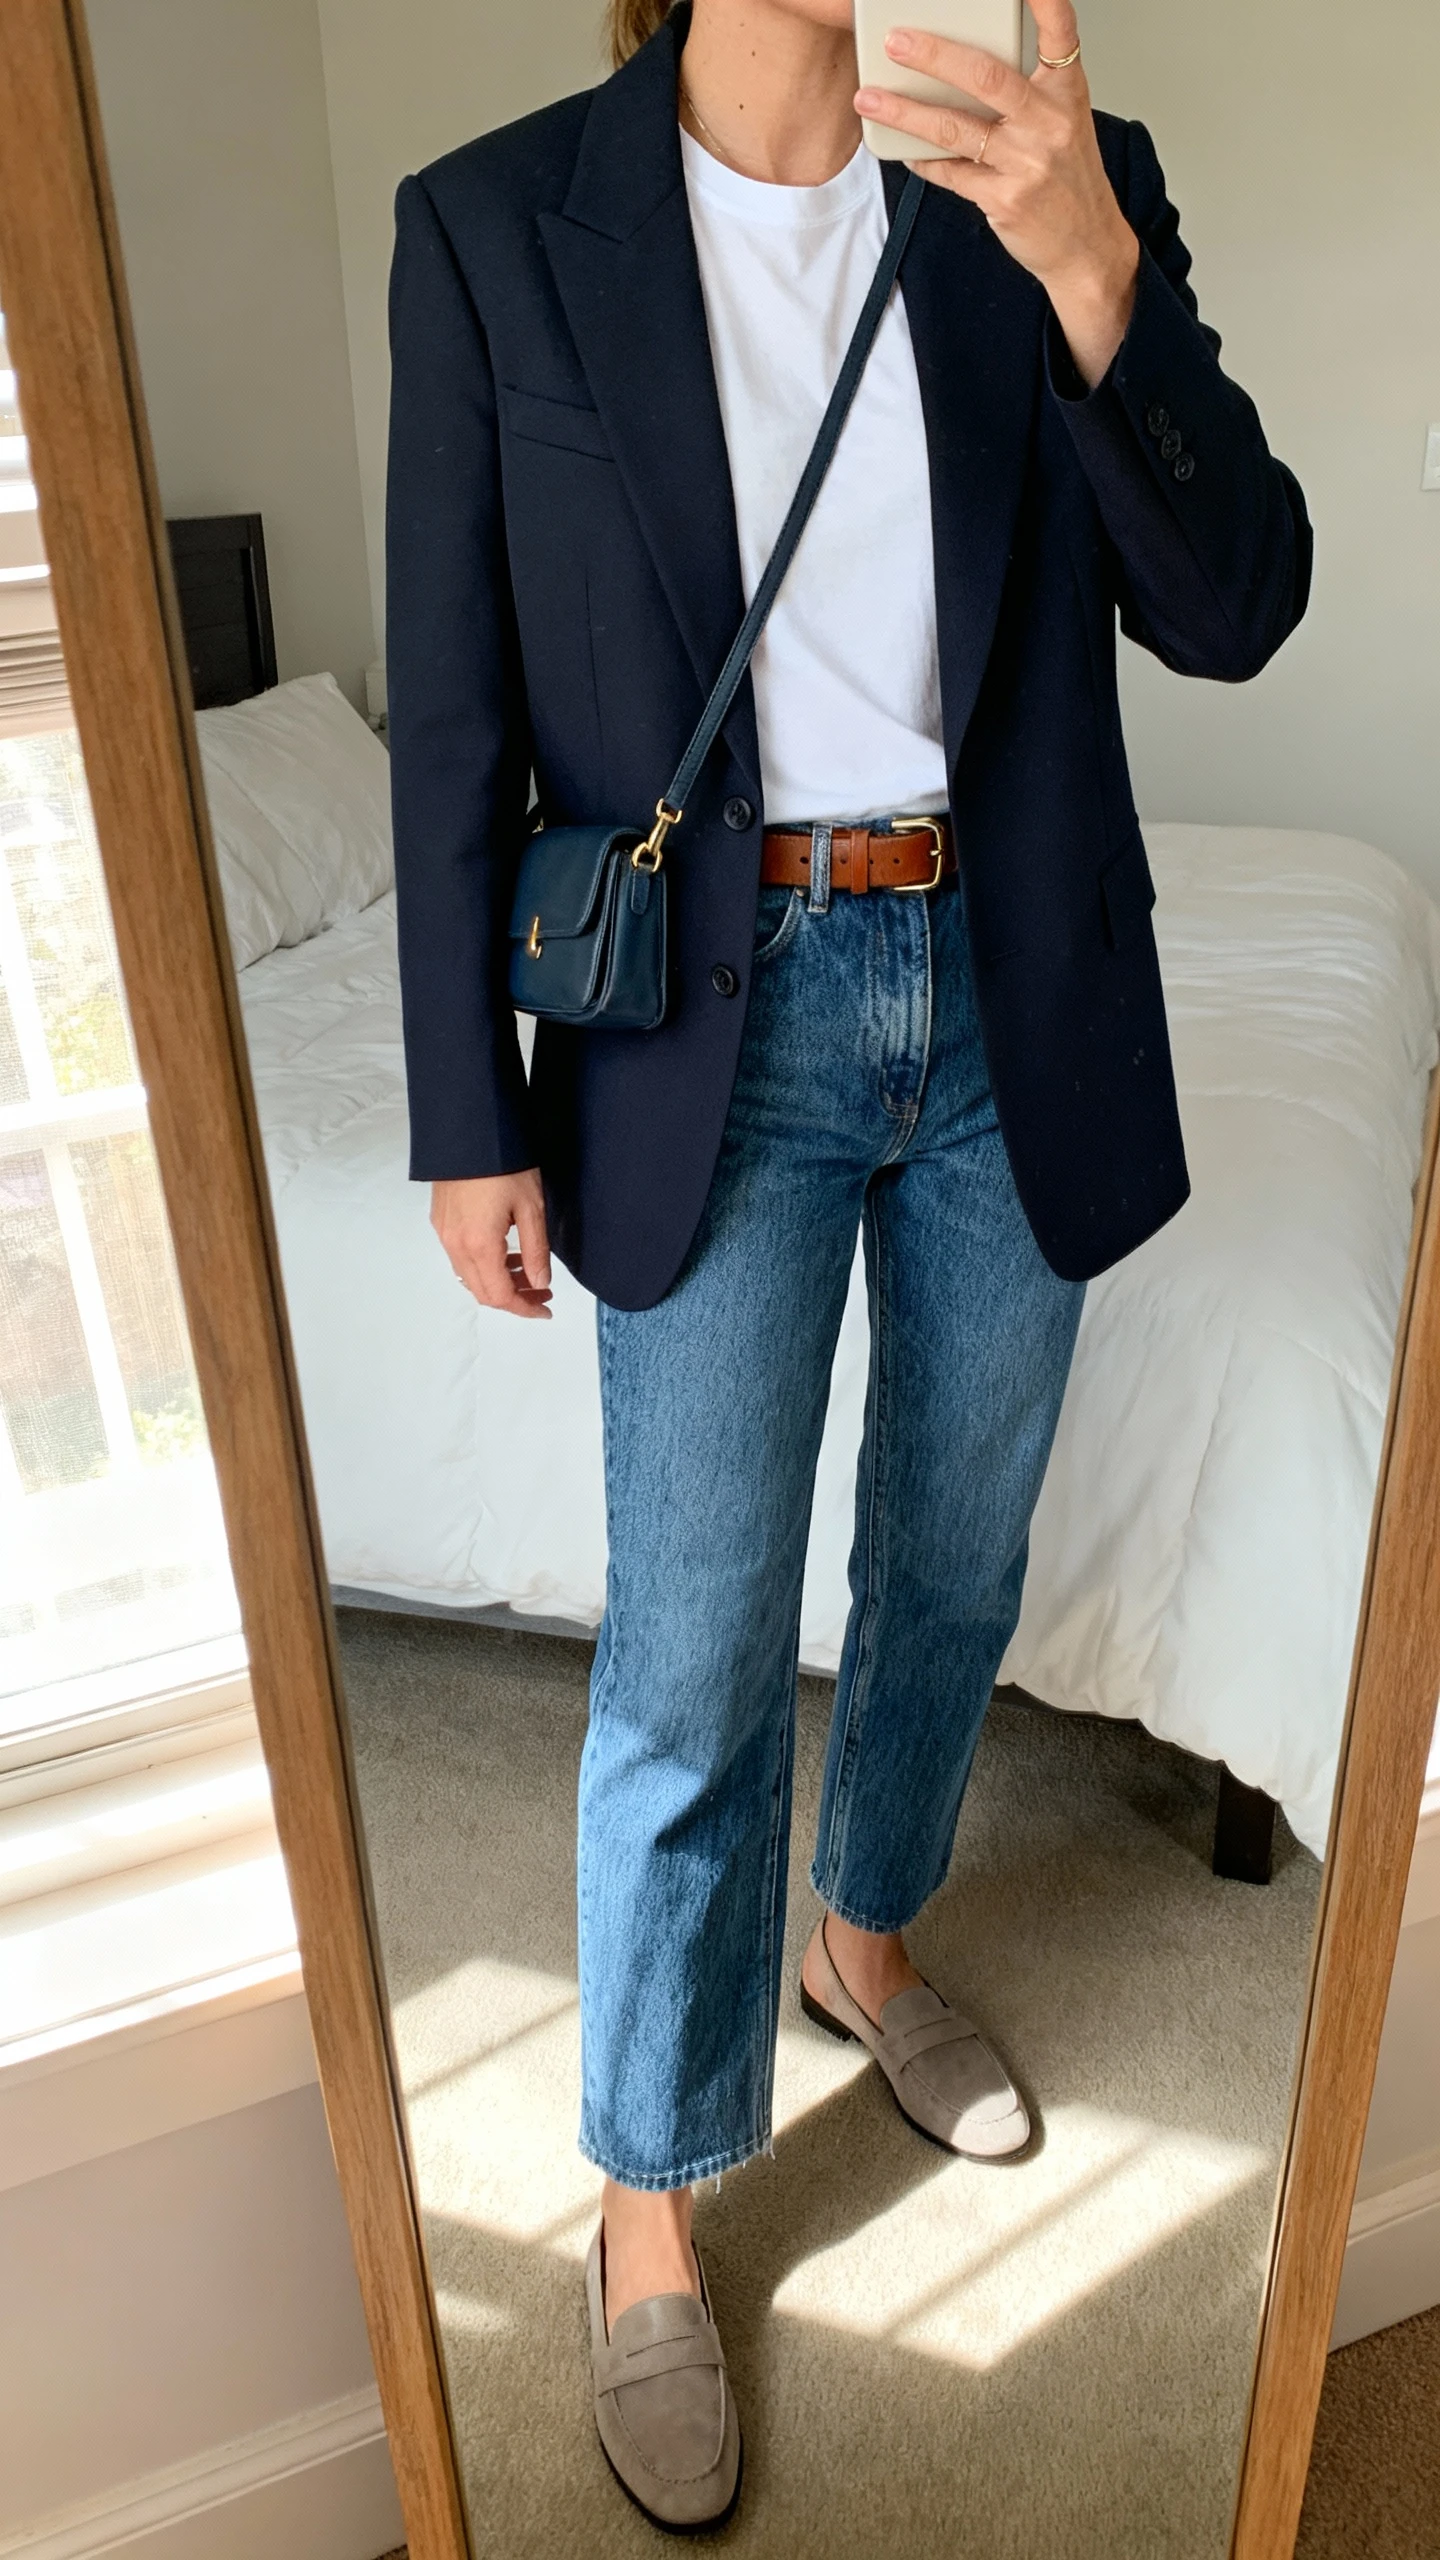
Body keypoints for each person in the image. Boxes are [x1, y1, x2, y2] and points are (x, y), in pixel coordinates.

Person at [386, 0, 1310, 2525]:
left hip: (1014, 994)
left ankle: (866, 1939)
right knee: (688, 1642)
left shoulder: (1043, 176)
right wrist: (472, 1111)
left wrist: (1101, 271)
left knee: (951, 1559)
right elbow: (456, 715)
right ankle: (648, 2203)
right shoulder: (492, 231)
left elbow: (1236, 605)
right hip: (715, 1018)